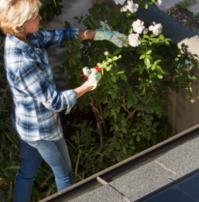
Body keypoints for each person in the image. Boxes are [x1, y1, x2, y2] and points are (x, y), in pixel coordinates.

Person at [0, 0, 129, 201]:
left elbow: (61, 35)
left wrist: (100, 34)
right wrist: (89, 85)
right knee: (65, 175)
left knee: (27, 172)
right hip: (42, 129)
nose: (40, 18)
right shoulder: (21, 61)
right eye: (35, 16)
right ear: (21, 23)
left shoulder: (25, 37)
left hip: (26, 124)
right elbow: (55, 102)